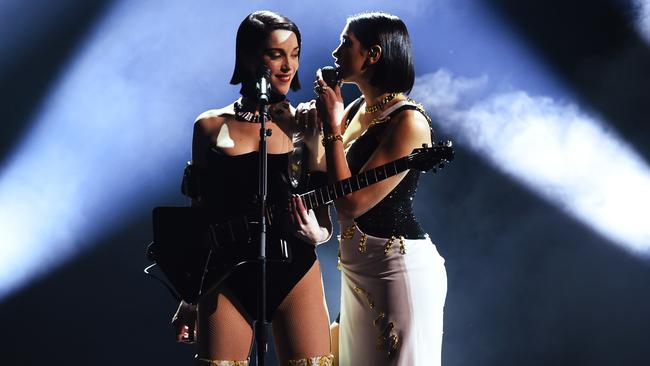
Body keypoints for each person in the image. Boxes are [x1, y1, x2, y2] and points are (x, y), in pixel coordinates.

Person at [171, 11, 334, 366]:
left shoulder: (307, 124)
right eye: (276, 54)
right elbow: (199, 218)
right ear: (247, 56)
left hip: (295, 268)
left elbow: (325, 220)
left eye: (294, 54)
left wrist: (317, 233)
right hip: (224, 274)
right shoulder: (209, 126)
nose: (288, 66)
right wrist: (190, 298)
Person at [314, 12, 448, 366]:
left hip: (396, 268)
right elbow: (320, 176)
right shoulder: (356, 108)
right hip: (357, 269)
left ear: (372, 55)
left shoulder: (409, 120)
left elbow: (350, 202)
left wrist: (332, 127)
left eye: (347, 43)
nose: (335, 52)